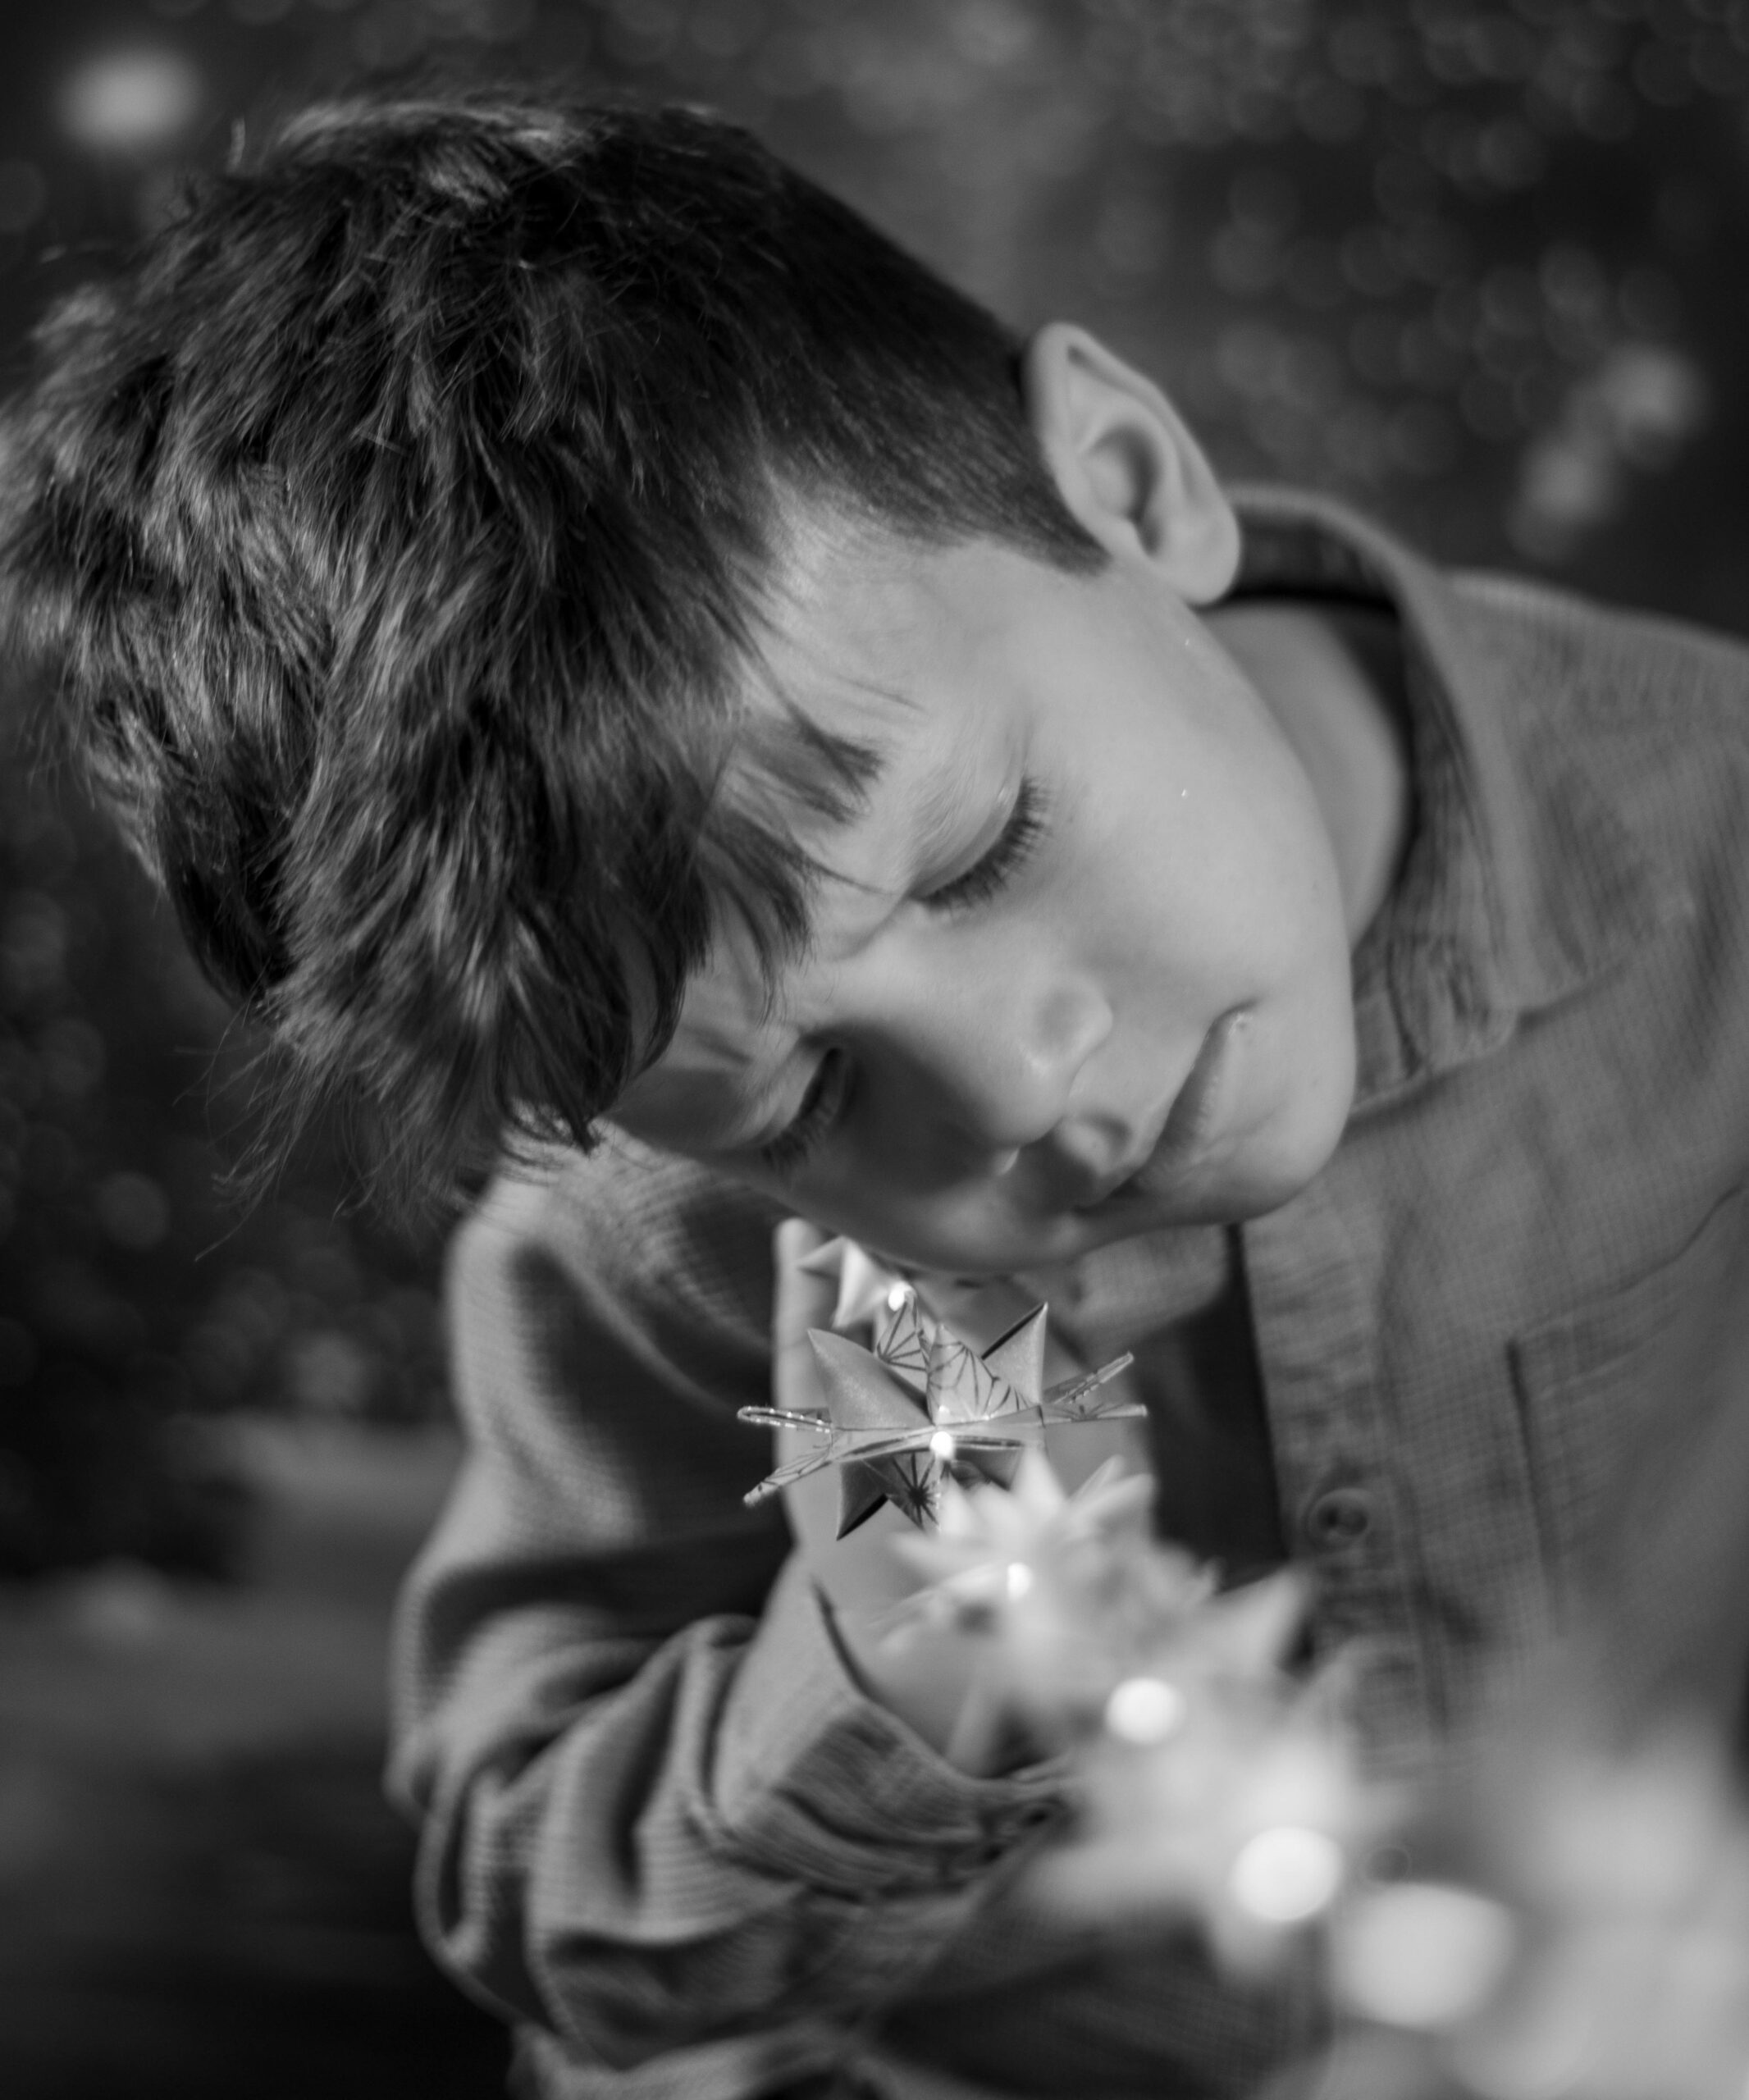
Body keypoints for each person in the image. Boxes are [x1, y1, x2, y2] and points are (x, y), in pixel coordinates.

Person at [6, 86, 1749, 2100]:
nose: (1012, 1091)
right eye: (810, 1097)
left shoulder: (1713, 860)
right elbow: (546, 1911)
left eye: (983, 849)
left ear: (1128, 484)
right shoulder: (648, 1226)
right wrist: (891, 1650)